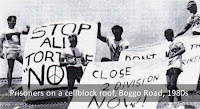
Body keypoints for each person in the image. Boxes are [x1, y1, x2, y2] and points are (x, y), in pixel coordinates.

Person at [0, 16, 30, 90]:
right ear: (8, 22)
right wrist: (1, 52)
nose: (14, 23)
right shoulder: (4, 31)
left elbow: (25, 32)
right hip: (10, 50)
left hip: (19, 50)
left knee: (27, 64)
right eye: (12, 21)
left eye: (15, 21)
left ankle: (28, 82)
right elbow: (0, 42)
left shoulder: (17, 29)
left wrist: (28, 29)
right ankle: (9, 86)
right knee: (10, 68)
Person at [59, 33, 88, 100]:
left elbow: (84, 62)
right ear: (70, 40)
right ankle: (70, 101)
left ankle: (83, 100)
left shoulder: (80, 49)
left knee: (82, 84)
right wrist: (69, 63)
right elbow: (60, 63)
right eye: (73, 40)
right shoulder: (65, 50)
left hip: (79, 69)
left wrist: (89, 64)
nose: (75, 41)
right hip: (70, 69)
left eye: (76, 39)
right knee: (70, 86)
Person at [165, 29, 185, 106]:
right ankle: (171, 104)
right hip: (169, 66)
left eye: (166, 36)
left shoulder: (177, 42)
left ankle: (180, 102)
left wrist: (174, 55)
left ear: (169, 35)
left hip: (176, 65)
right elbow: (166, 56)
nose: (166, 39)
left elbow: (183, 49)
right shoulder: (168, 45)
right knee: (169, 86)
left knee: (173, 85)